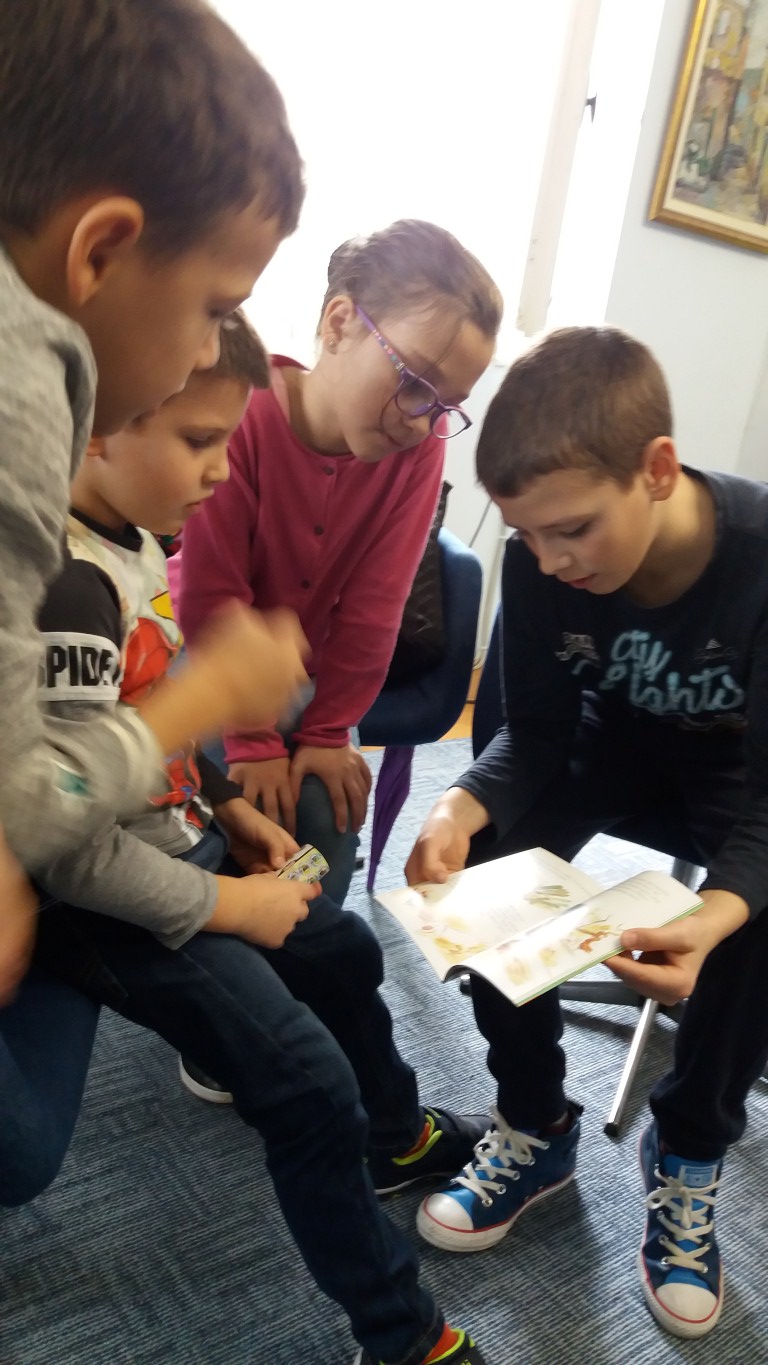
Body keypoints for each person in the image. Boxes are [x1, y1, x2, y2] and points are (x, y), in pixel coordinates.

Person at [29, 315, 490, 1365]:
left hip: (178, 837)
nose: (217, 469)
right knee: (306, 1083)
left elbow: (150, 719)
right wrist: (227, 903)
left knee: (344, 946)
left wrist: (229, 809)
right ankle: (402, 1334)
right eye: (199, 442)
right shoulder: (68, 589)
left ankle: (397, 1135)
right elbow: (64, 840)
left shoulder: (135, 540)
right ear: (96, 428)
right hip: (106, 897)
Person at [406, 326, 768, 1342]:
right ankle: (536, 1123)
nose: (550, 562)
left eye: (572, 530)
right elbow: (535, 733)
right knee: (482, 868)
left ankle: (688, 1148)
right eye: (528, 537)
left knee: (754, 922)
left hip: (738, 770)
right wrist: (457, 805)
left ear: (658, 469)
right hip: (608, 743)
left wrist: (714, 914)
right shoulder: (542, 559)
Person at [0, 0, 308, 1004]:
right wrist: (205, 698)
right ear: (100, 252)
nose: (210, 350)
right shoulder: (21, 393)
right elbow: (28, 807)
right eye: (216, 310)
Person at [174, 219, 503, 907]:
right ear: (339, 323)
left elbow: (375, 607)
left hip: (311, 682)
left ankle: (305, 942)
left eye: (447, 405)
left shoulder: (420, 448)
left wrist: (327, 732)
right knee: (239, 814)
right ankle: (225, 925)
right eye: (415, 382)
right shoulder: (244, 410)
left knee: (326, 822)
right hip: (202, 662)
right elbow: (211, 594)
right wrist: (251, 738)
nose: (423, 420)